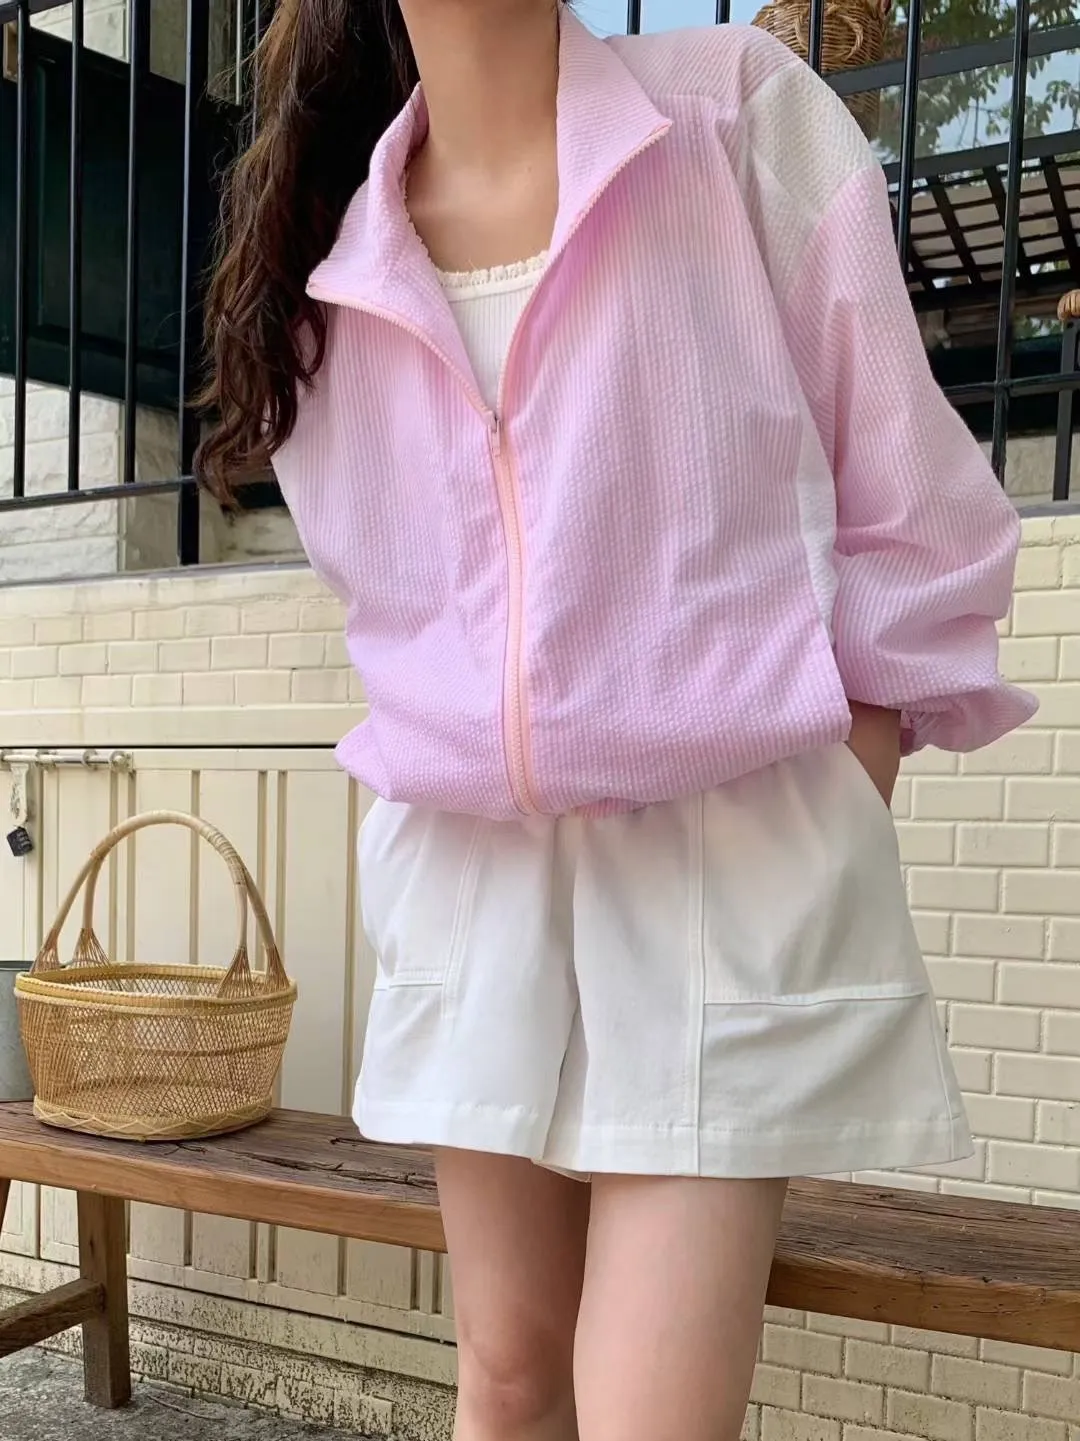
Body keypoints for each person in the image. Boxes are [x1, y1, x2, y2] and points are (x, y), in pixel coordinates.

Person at [198, 3, 1036, 1439]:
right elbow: (392, 594)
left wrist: (851, 770)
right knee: (507, 1378)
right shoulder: (335, 248)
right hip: (474, 879)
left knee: (652, 1414)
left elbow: (910, 504)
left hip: (723, 867)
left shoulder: (731, 114)